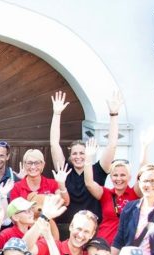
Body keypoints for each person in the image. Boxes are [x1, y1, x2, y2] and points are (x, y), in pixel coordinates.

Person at [49, 90, 122, 237]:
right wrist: (57, 114)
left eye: (82, 153)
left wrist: (113, 115)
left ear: (88, 153)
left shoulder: (98, 170)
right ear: (70, 156)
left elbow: (112, 145)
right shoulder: (65, 169)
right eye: (74, 153)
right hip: (65, 227)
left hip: (92, 226)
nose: (78, 157)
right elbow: (54, 144)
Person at [82, 138, 141, 244]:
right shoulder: (106, 194)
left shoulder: (135, 193)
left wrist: (145, 147)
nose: (118, 179)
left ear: (130, 177)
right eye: (115, 175)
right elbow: (89, 183)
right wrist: (88, 157)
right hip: (105, 244)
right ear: (111, 177)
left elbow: (143, 176)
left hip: (127, 246)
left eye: (123, 175)